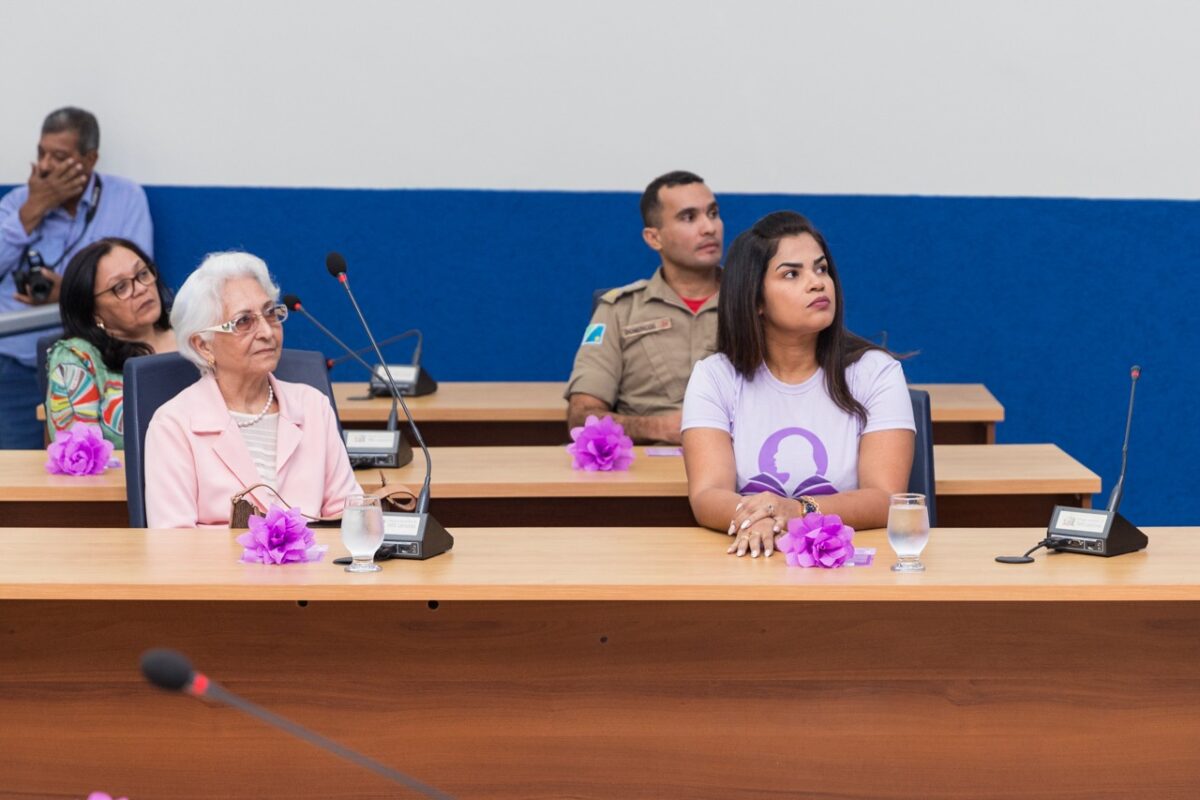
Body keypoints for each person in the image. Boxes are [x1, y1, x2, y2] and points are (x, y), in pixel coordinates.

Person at [681, 211, 915, 557]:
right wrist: (755, 519)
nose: (817, 282)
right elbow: (707, 493)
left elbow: (885, 498)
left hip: (850, 564)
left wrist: (798, 511)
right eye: (792, 273)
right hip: (752, 557)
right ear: (756, 299)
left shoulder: (876, 372)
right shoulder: (715, 376)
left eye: (821, 269)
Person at [144, 251, 360, 528]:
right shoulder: (173, 424)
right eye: (244, 321)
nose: (267, 333)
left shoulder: (312, 406)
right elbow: (173, 544)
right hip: (214, 572)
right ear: (204, 345)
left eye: (270, 314)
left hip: (313, 569)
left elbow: (347, 516)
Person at [0, 107, 154, 448]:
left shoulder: (125, 198)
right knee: (12, 481)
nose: (45, 166)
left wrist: (68, 292)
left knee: (88, 468)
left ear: (90, 158)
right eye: (41, 153)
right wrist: (32, 211)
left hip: (99, 362)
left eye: (59, 157)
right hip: (14, 365)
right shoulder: (16, 204)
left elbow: (138, 279)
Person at [565, 170, 722, 444]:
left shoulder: (756, 303)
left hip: (740, 466)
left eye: (712, 213)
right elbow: (581, 416)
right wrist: (658, 427)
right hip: (645, 464)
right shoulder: (619, 310)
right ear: (653, 238)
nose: (709, 227)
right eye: (689, 217)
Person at [45, 237, 175, 446]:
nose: (141, 288)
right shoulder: (78, 358)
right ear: (93, 311)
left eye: (142, 274)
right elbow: (78, 452)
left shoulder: (193, 334)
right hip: (124, 478)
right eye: (121, 287)